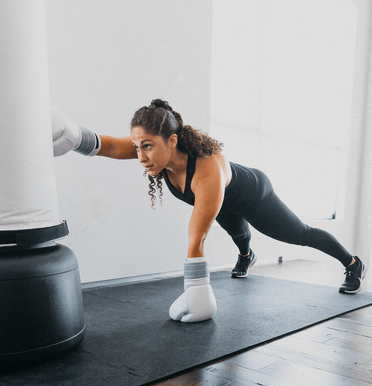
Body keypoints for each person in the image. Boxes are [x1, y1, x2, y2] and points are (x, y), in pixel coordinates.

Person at [52, 100, 367, 323]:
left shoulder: (207, 170)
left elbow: (197, 235)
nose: (140, 155)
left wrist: (197, 289)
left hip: (254, 193)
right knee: (237, 234)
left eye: (146, 146)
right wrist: (73, 135)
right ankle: (247, 256)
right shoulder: (156, 154)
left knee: (298, 234)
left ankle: (353, 263)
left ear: (172, 141)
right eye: (137, 147)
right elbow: (109, 146)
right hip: (224, 201)